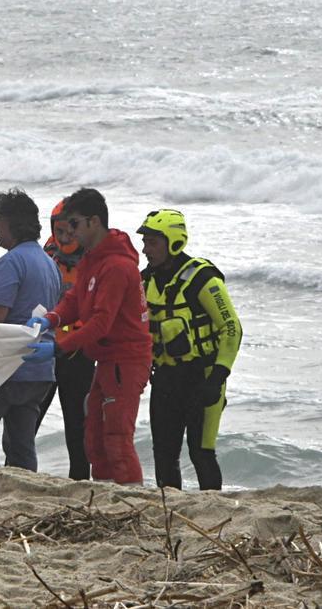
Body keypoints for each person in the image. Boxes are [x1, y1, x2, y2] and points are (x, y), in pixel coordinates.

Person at [25, 188, 151, 484]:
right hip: (105, 360)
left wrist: (57, 347)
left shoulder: (117, 266)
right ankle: (106, 493)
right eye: (65, 228)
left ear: (94, 222)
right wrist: (51, 319)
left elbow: (101, 322)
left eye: (76, 226)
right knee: (93, 437)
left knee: (117, 438)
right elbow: (77, 300)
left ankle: (131, 497)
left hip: (125, 360)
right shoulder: (93, 259)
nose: (70, 235)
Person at [138, 209, 242, 491]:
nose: (145, 249)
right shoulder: (145, 280)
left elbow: (232, 328)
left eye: (152, 242)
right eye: (144, 242)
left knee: (202, 453)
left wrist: (218, 377)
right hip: (167, 379)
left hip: (204, 378)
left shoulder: (202, 279)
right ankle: (170, 514)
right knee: (164, 455)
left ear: (174, 241)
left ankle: (214, 513)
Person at [0, 189, 60, 470]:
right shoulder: (48, 263)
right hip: (41, 370)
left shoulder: (10, 263)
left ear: (12, 223)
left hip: (10, 368)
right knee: (21, 441)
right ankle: (22, 485)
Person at [33, 199, 97, 480]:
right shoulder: (44, 256)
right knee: (27, 422)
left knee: (79, 427)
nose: (66, 237)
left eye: (72, 230)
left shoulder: (99, 259)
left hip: (80, 354)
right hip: (45, 350)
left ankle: (80, 484)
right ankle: (19, 476)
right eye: (61, 230)